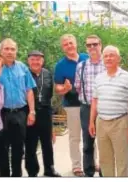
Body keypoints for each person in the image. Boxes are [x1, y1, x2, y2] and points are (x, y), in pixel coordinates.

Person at [88, 45, 128, 177]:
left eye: (112, 55)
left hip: (120, 122)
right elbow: (95, 101)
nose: (108, 58)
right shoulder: (99, 78)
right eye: (106, 56)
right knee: (105, 160)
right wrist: (91, 122)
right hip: (101, 122)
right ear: (102, 58)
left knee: (122, 159)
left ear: (118, 59)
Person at [0, 38, 37, 177]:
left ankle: (16, 175)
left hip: (21, 112)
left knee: (18, 148)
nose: (9, 52)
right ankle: (4, 176)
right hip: (1, 113)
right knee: (2, 147)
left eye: (12, 49)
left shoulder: (22, 67)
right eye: (6, 49)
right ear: (1, 51)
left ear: (16, 51)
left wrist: (32, 111)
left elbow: (29, 90)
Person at [54, 34, 89, 177]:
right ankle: (76, 165)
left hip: (89, 103)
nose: (69, 46)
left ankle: (92, 162)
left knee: (91, 135)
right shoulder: (60, 65)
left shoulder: (87, 58)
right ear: (63, 47)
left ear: (76, 44)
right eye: (66, 44)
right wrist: (65, 89)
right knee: (75, 137)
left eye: (71, 43)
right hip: (72, 104)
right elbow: (57, 87)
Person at [25, 50, 61, 177]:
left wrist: (53, 124)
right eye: (33, 59)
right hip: (29, 112)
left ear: (42, 61)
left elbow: (50, 95)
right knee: (31, 144)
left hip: (45, 111)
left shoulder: (47, 74)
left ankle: (49, 169)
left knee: (47, 143)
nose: (35, 62)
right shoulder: (25, 73)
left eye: (38, 59)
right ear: (28, 61)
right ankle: (32, 171)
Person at [74, 35, 105, 177]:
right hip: (86, 108)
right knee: (87, 142)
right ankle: (89, 172)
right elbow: (78, 87)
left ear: (101, 45)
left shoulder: (108, 63)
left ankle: (105, 172)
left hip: (106, 108)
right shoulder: (81, 66)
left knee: (105, 143)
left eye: (95, 44)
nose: (92, 47)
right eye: (89, 45)